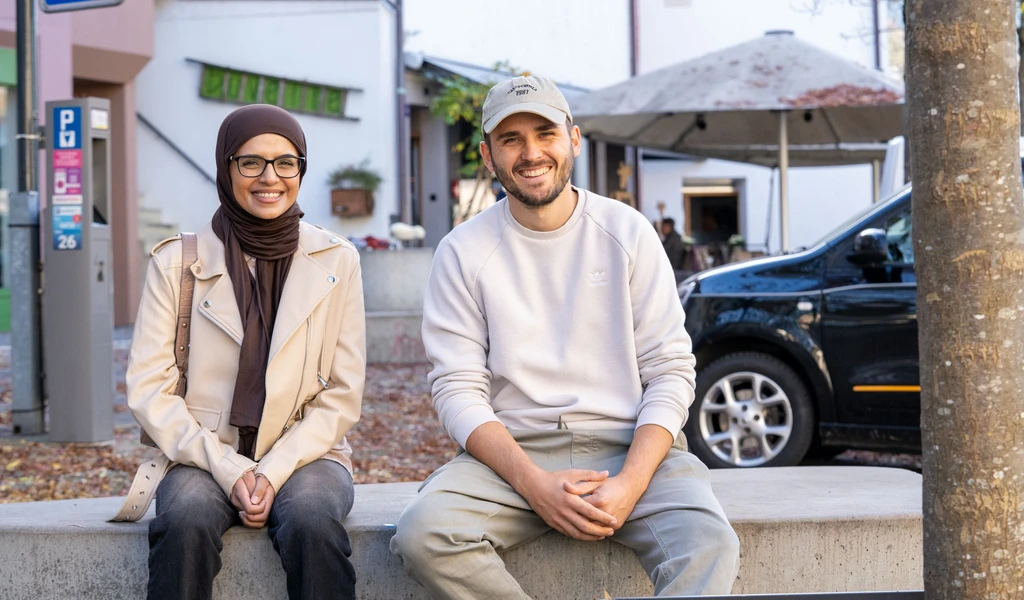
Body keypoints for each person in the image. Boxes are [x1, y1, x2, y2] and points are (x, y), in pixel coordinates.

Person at [390, 76, 739, 598]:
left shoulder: (627, 232)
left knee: (709, 545)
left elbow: (670, 369)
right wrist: (534, 483)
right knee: (425, 535)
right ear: (488, 155)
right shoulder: (462, 252)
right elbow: (457, 389)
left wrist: (631, 484)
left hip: (632, 446)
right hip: (515, 455)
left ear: (573, 139)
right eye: (511, 139)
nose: (531, 153)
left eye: (545, 132)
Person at [123, 104, 365, 600]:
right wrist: (231, 468)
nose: (269, 177)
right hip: (201, 452)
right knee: (185, 520)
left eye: (285, 162)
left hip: (308, 455)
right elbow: (150, 391)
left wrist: (272, 472)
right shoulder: (177, 263)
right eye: (250, 162)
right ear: (224, 166)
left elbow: (342, 394)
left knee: (312, 521)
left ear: (301, 168)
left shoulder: (337, 260)